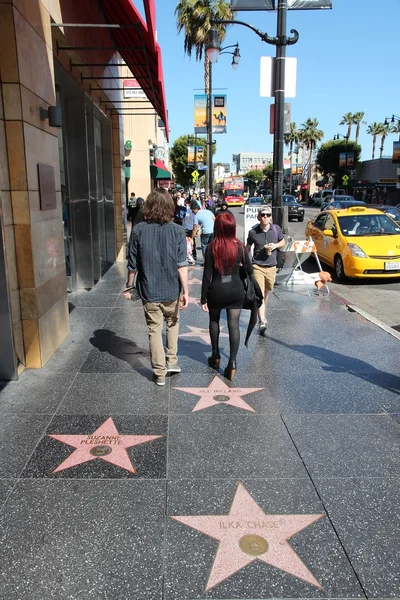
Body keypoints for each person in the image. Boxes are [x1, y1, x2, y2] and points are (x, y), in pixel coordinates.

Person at [124, 190, 188, 386]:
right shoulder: (177, 231)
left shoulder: (138, 230)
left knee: (154, 329)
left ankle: (159, 373)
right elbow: (181, 264)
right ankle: (172, 361)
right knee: (173, 323)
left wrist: (129, 286)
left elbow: (132, 264)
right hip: (171, 289)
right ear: (170, 207)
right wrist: (186, 290)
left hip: (149, 289)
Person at [201, 212, 253, 381]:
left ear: (217, 228)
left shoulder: (211, 247)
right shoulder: (239, 246)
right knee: (234, 326)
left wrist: (203, 298)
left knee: (214, 320)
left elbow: (207, 275)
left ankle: (215, 355)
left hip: (216, 289)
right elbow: (250, 270)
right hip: (235, 288)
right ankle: (232, 362)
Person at [246, 205, 285, 335]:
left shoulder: (276, 229)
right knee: (260, 294)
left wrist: (275, 246)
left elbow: (283, 242)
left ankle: (261, 311)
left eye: (268, 215)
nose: (265, 217)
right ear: (258, 217)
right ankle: (262, 321)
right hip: (257, 266)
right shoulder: (253, 232)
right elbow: (247, 247)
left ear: (270, 217)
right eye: (263, 215)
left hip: (272, 266)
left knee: (266, 293)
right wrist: (244, 260)